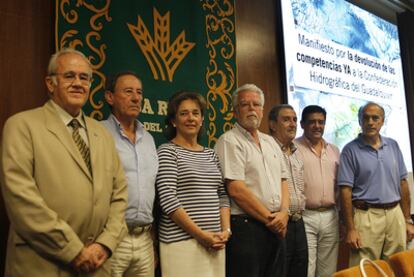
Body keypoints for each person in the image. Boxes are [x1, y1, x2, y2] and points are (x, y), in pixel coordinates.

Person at [0, 48, 128, 276]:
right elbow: (22, 200)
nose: (78, 83)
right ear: (50, 84)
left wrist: (105, 244)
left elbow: (120, 196)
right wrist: (73, 250)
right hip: (43, 263)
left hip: (97, 265)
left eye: (84, 78)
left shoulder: (103, 135)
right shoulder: (22, 126)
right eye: (69, 76)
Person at [215, 84, 289, 277]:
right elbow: (236, 189)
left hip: (276, 225)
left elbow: (284, 180)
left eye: (256, 104)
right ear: (235, 111)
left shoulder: (271, 142)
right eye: (245, 104)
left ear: (262, 110)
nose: (251, 108)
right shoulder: (229, 141)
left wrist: (284, 214)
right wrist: (271, 220)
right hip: (247, 228)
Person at [156, 91, 230, 277]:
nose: (191, 118)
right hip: (181, 244)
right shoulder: (167, 151)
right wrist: (200, 234)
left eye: (195, 113)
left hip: (215, 242)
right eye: (184, 113)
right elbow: (167, 199)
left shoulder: (210, 154)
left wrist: (225, 231)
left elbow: (222, 195)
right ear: (173, 121)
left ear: (202, 119)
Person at [338, 102, 414, 266]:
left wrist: (408, 219)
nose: (370, 122)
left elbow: (403, 183)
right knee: (365, 267)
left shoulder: (393, 145)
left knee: (397, 264)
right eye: (365, 118)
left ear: (382, 121)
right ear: (360, 121)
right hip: (366, 216)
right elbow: (345, 191)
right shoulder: (350, 150)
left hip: (395, 214)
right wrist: (351, 229)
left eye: (375, 118)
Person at [101, 71, 158, 277]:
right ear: (110, 97)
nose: (136, 98)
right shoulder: (99, 133)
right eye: (128, 92)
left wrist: (153, 240)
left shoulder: (149, 139)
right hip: (111, 238)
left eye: (139, 92)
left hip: (144, 238)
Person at [295, 105, 339, 277]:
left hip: (330, 215)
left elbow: (340, 185)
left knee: (328, 270)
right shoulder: (293, 147)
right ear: (302, 124)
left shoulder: (334, 150)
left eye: (321, 122)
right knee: (307, 269)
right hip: (306, 216)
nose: (317, 126)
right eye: (312, 122)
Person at [268, 104, 308, 277]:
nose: (292, 124)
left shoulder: (296, 152)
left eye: (294, 120)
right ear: (272, 125)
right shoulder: (268, 150)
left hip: (299, 223)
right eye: (286, 120)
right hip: (279, 224)